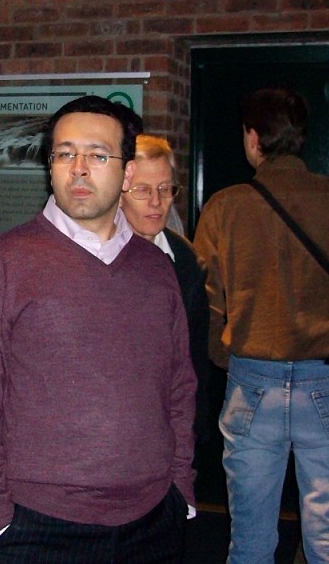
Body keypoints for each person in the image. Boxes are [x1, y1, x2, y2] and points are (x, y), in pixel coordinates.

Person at [0, 95, 196, 564]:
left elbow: (179, 387)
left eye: (97, 155)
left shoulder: (157, 268)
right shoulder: (2, 265)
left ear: (126, 173)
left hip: (153, 519)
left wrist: (181, 486)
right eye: (64, 154)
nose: (78, 168)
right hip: (38, 526)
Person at [192, 86, 329, 564]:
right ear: (300, 136)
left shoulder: (225, 207)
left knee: (249, 543)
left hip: (253, 380)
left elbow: (203, 304)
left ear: (252, 138)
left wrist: (228, 354)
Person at [119, 134, 210, 460]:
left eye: (165, 189)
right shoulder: (93, 258)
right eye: (143, 190)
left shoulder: (185, 259)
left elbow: (194, 356)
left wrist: (193, 432)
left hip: (167, 429)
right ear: (118, 192)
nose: (157, 202)